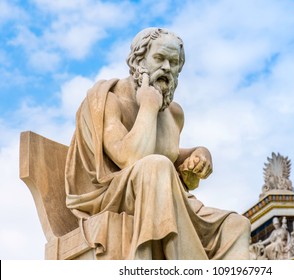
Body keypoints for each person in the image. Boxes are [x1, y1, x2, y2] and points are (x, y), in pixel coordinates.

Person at [64, 27, 250, 260]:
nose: (167, 68)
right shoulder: (108, 100)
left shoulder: (174, 113)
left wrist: (200, 153)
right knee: (156, 166)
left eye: (173, 63)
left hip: (163, 194)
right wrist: (148, 106)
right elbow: (131, 158)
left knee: (235, 225)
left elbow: (168, 154)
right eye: (159, 58)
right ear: (138, 60)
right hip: (110, 194)